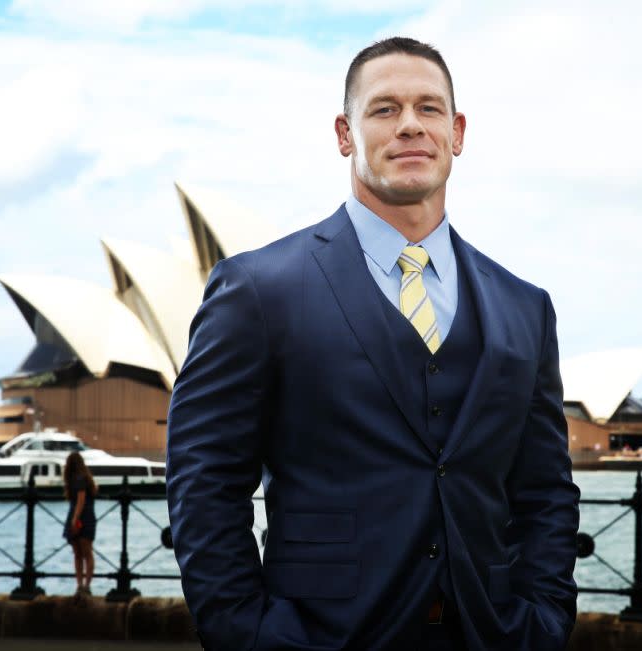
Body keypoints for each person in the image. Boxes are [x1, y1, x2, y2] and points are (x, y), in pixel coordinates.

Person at [166, 36, 580, 650]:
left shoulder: (525, 306)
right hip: (317, 638)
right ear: (344, 134)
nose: (410, 125)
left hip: (493, 635)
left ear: (457, 131)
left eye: (429, 108)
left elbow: (543, 490)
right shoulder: (258, 289)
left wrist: (543, 619)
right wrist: (246, 635)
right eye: (384, 109)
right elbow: (204, 481)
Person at [63, 451, 97, 598]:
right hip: (87, 516)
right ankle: (85, 586)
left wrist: (74, 519)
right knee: (86, 552)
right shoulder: (85, 478)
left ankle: (81, 585)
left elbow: (80, 500)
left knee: (79, 553)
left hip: (79, 517)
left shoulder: (77, 479)